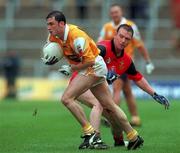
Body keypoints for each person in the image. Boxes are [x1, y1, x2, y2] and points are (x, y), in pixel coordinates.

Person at [42, 10, 144, 150]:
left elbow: (90, 61)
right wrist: (50, 59)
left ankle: (90, 133)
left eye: (51, 24)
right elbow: (53, 50)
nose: (48, 27)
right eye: (47, 24)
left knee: (67, 98)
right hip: (93, 67)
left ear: (61, 23)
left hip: (94, 66)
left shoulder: (77, 37)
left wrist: (71, 69)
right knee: (110, 106)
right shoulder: (53, 36)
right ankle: (133, 136)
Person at [59, 24, 170, 147]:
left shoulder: (126, 60)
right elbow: (88, 59)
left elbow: (137, 78)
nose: (123, 41)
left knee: (112, 114)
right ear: (115, 35)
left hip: (96, 85)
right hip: (81, 84)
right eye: (121, 36)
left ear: (130, 41)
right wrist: (104, 71)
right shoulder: (102, 48)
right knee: (99, 104)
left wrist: (154, 94)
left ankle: (120, 141)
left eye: (127, 39)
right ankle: (95, 138)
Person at [98, 4, 154, 126]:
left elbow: (139, 44)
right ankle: (135, 117)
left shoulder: (130, 26)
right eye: (112, 12)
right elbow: (99, 44)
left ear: (121, 12)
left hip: (124, 63)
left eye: (116, 12)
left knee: (117, 89)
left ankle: (111, 116)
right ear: (110, 14)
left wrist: (148, 61)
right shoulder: (106, 27)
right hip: (111, 63)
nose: (114, 14)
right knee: (127, 90)